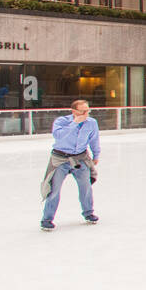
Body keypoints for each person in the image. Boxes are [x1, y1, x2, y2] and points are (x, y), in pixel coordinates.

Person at [39, 98, 101, 230]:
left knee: (86, 187)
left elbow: (94, 139)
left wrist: (96, 155)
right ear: (73, 111)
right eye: (82, 111)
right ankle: (47, 219)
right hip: (60, 160)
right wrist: (74, 123)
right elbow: (58, 136)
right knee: (54, 190)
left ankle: (88, 213)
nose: (86, 114)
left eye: (87, 111)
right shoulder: (62, 122)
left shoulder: (91, 123)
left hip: (80, 158)